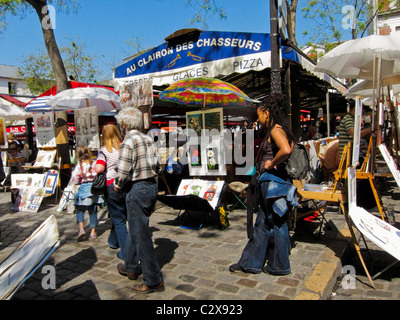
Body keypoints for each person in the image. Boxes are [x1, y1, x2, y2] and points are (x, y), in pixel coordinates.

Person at [229, 93, 298, 276]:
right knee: (263, 224)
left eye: (259, 114)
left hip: (272, 182)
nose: (258, 119)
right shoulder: (280, 128)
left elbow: (286, 150)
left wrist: (271, 163)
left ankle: (279, 266)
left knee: (276, 224)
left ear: (267, 113)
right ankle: (252, 263)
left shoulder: (275, 129)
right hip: (275, 183)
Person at [114, 107, 164, 293]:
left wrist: (118, 185)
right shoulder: (148, 138)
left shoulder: (129, 142)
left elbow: (123, 171)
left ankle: (153, 280)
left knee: (141, 236)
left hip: (137, 188)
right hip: (151, 186)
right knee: (137, 230)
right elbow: (158, 165)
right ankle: (131, 266)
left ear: (124, 124)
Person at [94, 124, 128, 260]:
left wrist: (94, 164)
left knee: (119, 220)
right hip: (124, 184)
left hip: (110, 185)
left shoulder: (104, 151)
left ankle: (126, 252)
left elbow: (99, 169)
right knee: (119, 214)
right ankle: (113, 241)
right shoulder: (123, 148)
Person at [71, 146, 102, 241]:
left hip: (84, 189)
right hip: (94, 189)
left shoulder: (79, 166)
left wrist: (79, 181)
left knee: (79, 209)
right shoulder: (94, 163)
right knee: (93, 211)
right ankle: (93, 232)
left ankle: (81, 229)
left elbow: (75, 179)